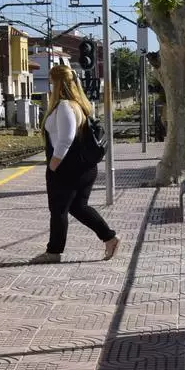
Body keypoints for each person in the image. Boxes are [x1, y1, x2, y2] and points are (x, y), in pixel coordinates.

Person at [31, 64, 119, 264]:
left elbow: (65, 139)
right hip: (82, 167)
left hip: (67, 168)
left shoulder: (64, 106)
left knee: (59, 210)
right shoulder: (80, 105)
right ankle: (110, 237)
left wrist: (53, 165)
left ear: (57, 83)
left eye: (51, 83)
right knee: (78, 207)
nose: (49, 87)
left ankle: (53, 252)